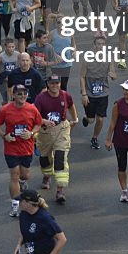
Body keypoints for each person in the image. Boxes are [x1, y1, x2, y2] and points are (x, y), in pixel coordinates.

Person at [0, 83, 43, 218]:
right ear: (13, 95)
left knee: (24, 175)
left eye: (24, 93)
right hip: (11, 148)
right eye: (19, 94)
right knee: (14, 175)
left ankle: (22, 182)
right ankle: (15, 205)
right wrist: (4, 136)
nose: (22, 96)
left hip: (26, 148)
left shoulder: (32, 109)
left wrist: (31, 134)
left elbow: (38, 124)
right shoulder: (5, 109)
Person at [34, 75, 77, 204]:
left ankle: (60, 190)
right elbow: (34, 116)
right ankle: (46, 177)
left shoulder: (65, 95)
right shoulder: (41, 98)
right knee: (44, 159)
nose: (55, 86)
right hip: (45, 132)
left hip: (61, 129)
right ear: (48, 84)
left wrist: (75, 118)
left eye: (57, 83)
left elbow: (71, 105)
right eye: (52, 83)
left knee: (60, 157)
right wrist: (44, 121)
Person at [80, 36, 117, 150]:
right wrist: (84, 94)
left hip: (103, 92)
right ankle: (86, 118)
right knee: (91, 120)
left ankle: (94, 138)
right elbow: (82, 76)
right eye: (98, 44)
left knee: (100, 119)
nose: (101, 46)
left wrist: (112, 75)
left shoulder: (108, 58)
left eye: (103, 44)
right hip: (90, 93)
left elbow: (113, 74)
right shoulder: (87, 58)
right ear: (94, 45)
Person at [15, 189, 66, 254]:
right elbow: (25, 231)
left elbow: (62, 239)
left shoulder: (45, 218)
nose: (18, 203)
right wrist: (19, 244)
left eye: (20, 201)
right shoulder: (23, 214)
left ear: (27, 203)